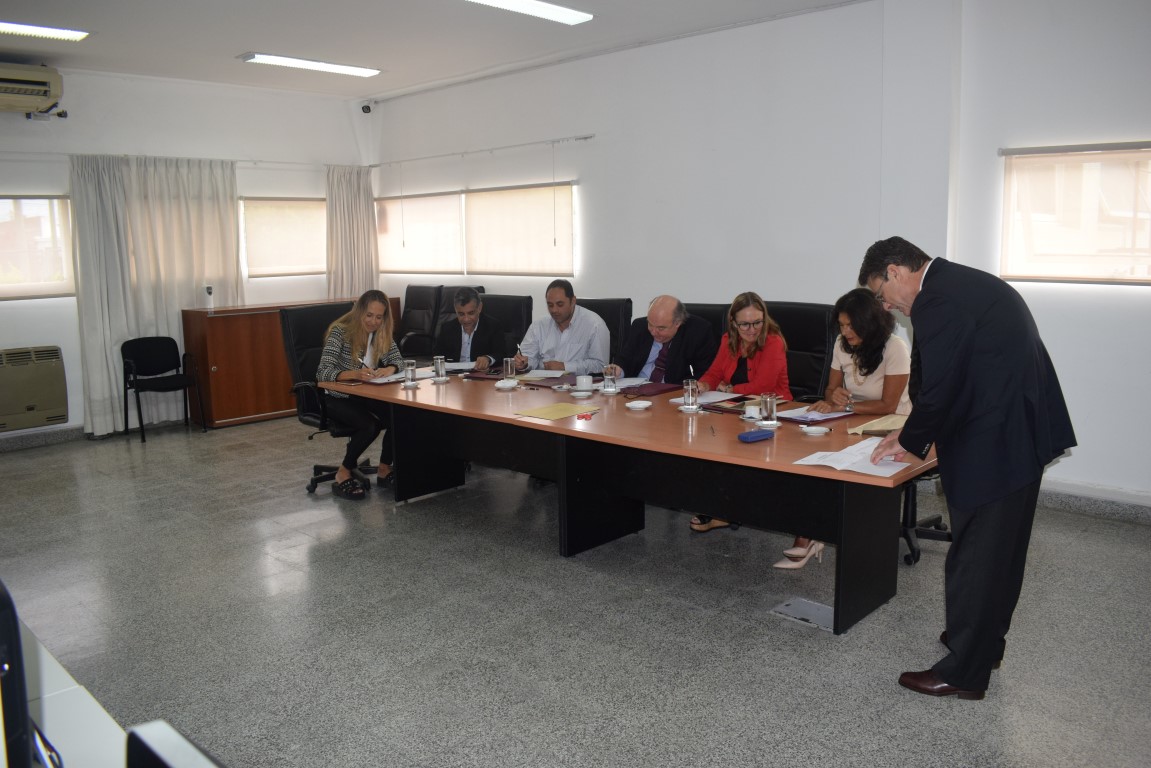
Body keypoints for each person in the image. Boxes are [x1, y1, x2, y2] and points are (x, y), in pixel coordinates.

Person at [861, 236, 1075, 701]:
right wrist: (915, 433)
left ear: (895, 271)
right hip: (1017, 434)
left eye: (881, 293)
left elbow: (941, 386)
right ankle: (982, 644)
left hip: (995, 443)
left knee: (977, 558)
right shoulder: (960, 284)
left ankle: (963, 673)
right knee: (1000, 555)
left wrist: (912, 442)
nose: (886, 305)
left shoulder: (937, 299)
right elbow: (960, 372)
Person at [775, 288, 913, 570]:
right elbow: (830, 389)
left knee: (845, 468)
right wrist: (833, 397)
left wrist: (845, 406)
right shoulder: (842, 344)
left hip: (892, 426)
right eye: (841, 325)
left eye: (851, 325)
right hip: (852, 421)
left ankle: (813, 536)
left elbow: (888, 404)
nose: (845, 331)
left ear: (869, 323)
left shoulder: (894, 347)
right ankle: (810, 531)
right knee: (811, 456)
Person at [690, 291, 792, 533]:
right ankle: (723, 508)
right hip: (736, 410)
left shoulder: (773, 341)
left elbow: (763, 386)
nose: (752, 329)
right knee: (707, 442)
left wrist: (730, 389)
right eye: (745, 324)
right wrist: (703, 384)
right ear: (733, 322)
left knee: (734, 450)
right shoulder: (728, 340)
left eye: (757, 322)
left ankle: (727, 511)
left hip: (772, 412)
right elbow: (715, 373)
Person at [316, 290, 404, 500]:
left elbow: (399, 361)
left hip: (364, 395)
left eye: (379, 317)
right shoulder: (340, 332)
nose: (373, 322)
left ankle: (384, 469)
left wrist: (390, 368)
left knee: (398, 415)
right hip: (336, 396)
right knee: (369, 425)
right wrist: (353, 374)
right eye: (369, 315)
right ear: (359, 312)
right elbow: (322, 373)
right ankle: (343, 472)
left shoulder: (381, 332)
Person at [605, 295, 718, 383]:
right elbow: (625, 359)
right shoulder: (639, 326)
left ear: (677, 323)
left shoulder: (698, 332)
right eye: (650, 324)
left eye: (661, 328)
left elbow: (704, 373)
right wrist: (618, 370)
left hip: (672, 393)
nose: (653, 332)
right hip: (636, 391)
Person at [513, 279, 610, 375]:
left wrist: (565, 367)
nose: (554, 310)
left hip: (577, 383)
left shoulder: (594, 325)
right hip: (541, 382)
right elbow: (528, 358)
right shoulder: (539, 326)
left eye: (560, 304)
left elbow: (601, 366)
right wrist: (523, 363)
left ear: (573, 301)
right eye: (550, 305)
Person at [432, 287, 510, 372]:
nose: (466, 319)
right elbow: (437, 356)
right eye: (461, 314)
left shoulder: (493, 326)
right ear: (455, 310)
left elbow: (501, 354)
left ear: (479, 308)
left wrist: (488, 359)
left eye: (471, 313)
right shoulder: (447, 328)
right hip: (454, 376)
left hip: (479, 375)